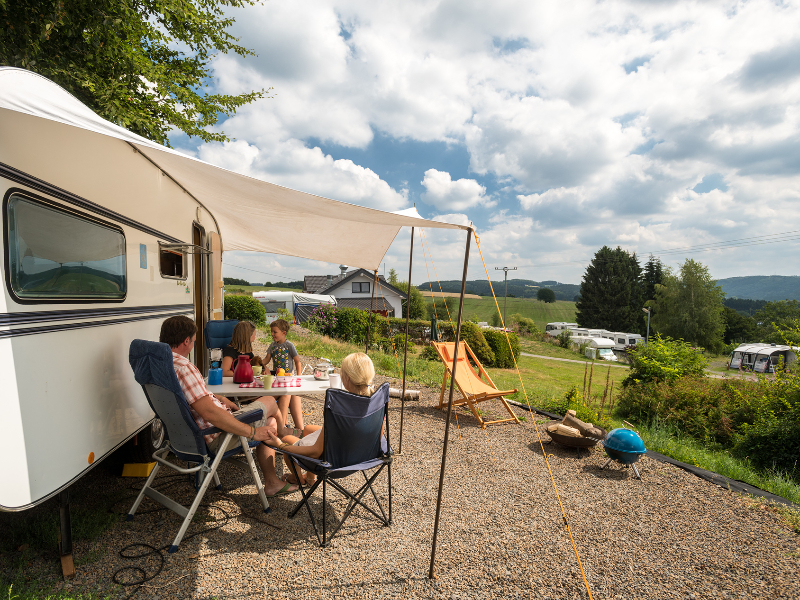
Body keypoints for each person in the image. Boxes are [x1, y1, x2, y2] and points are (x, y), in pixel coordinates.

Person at [160, 315, 298, 497]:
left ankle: (275, 473)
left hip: (183, 437)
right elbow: (209, 413)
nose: (193, 344)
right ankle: (280, 454)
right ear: (186, 341)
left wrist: (219, 398)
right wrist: (251, 432)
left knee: (270, 420)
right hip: (214, 435)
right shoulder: (185, 368)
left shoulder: (163, 364)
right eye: (193, 341)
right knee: (270, 404)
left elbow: (191, 397)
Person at [264, 352, 377, 486]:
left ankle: (297, 478)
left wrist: (280, 445)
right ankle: (311, 479)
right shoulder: (376, 401)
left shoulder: (338, 408)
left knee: (287, 439)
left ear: (346, 379)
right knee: (307, 429)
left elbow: (315, 451)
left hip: (335, 462)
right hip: (362, 455)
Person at [264, 319, 305, 433]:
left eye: (275, 332)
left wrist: (299, 375)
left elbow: (297, 361)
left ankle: (286, 423)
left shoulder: (289, 345)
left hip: (288, 377)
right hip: (277, 377)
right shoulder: (272, 346)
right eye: (271, 332)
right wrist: (259, 364)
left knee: (289, 394)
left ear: (283, 333)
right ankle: (285, 424)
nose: (272, 334)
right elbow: (267, 359)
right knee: (286, 394)